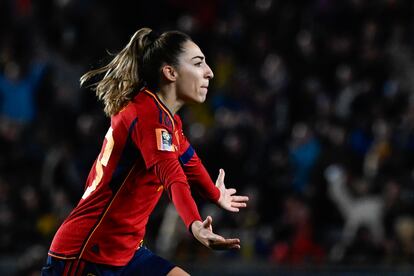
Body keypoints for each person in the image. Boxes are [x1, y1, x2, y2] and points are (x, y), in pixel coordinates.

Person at [41, 27, 249, 275]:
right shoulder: (148, 116)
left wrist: (215, 194)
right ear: (170, 72)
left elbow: (189, 162)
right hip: (88, 253)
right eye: (198, 63)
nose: (210, 72)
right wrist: (195, 225)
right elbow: (173, 177)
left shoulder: (165, 118)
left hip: (126, 253)